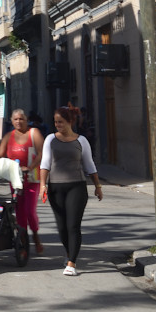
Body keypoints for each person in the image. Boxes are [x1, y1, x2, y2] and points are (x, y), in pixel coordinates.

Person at [39, 106, 103, 276]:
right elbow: (45, 163)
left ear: (70, 121)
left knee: (73, 225)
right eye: (55, 122)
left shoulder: (81, 141)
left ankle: (71, 263)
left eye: (61, 122)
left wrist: (98, 186)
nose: (57, 125)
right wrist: (42, 185)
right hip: (55, 188)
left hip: (77, 186)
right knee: (62, 227)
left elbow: (89, 165)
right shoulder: (50, 139)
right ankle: (69, 253)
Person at [0, 108, 45, 255]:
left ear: (26, 120)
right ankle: (23, 244)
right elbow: (0, 155)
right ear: (11, 121)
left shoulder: (33, 133)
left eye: (21, 119)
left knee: (30, 211)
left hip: (31, 178)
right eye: (15, 119)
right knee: (20, 214)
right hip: (15, 180)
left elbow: (42, 153)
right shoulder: (8, 137)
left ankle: (35, 236)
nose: (18, 122)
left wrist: (30, 167)